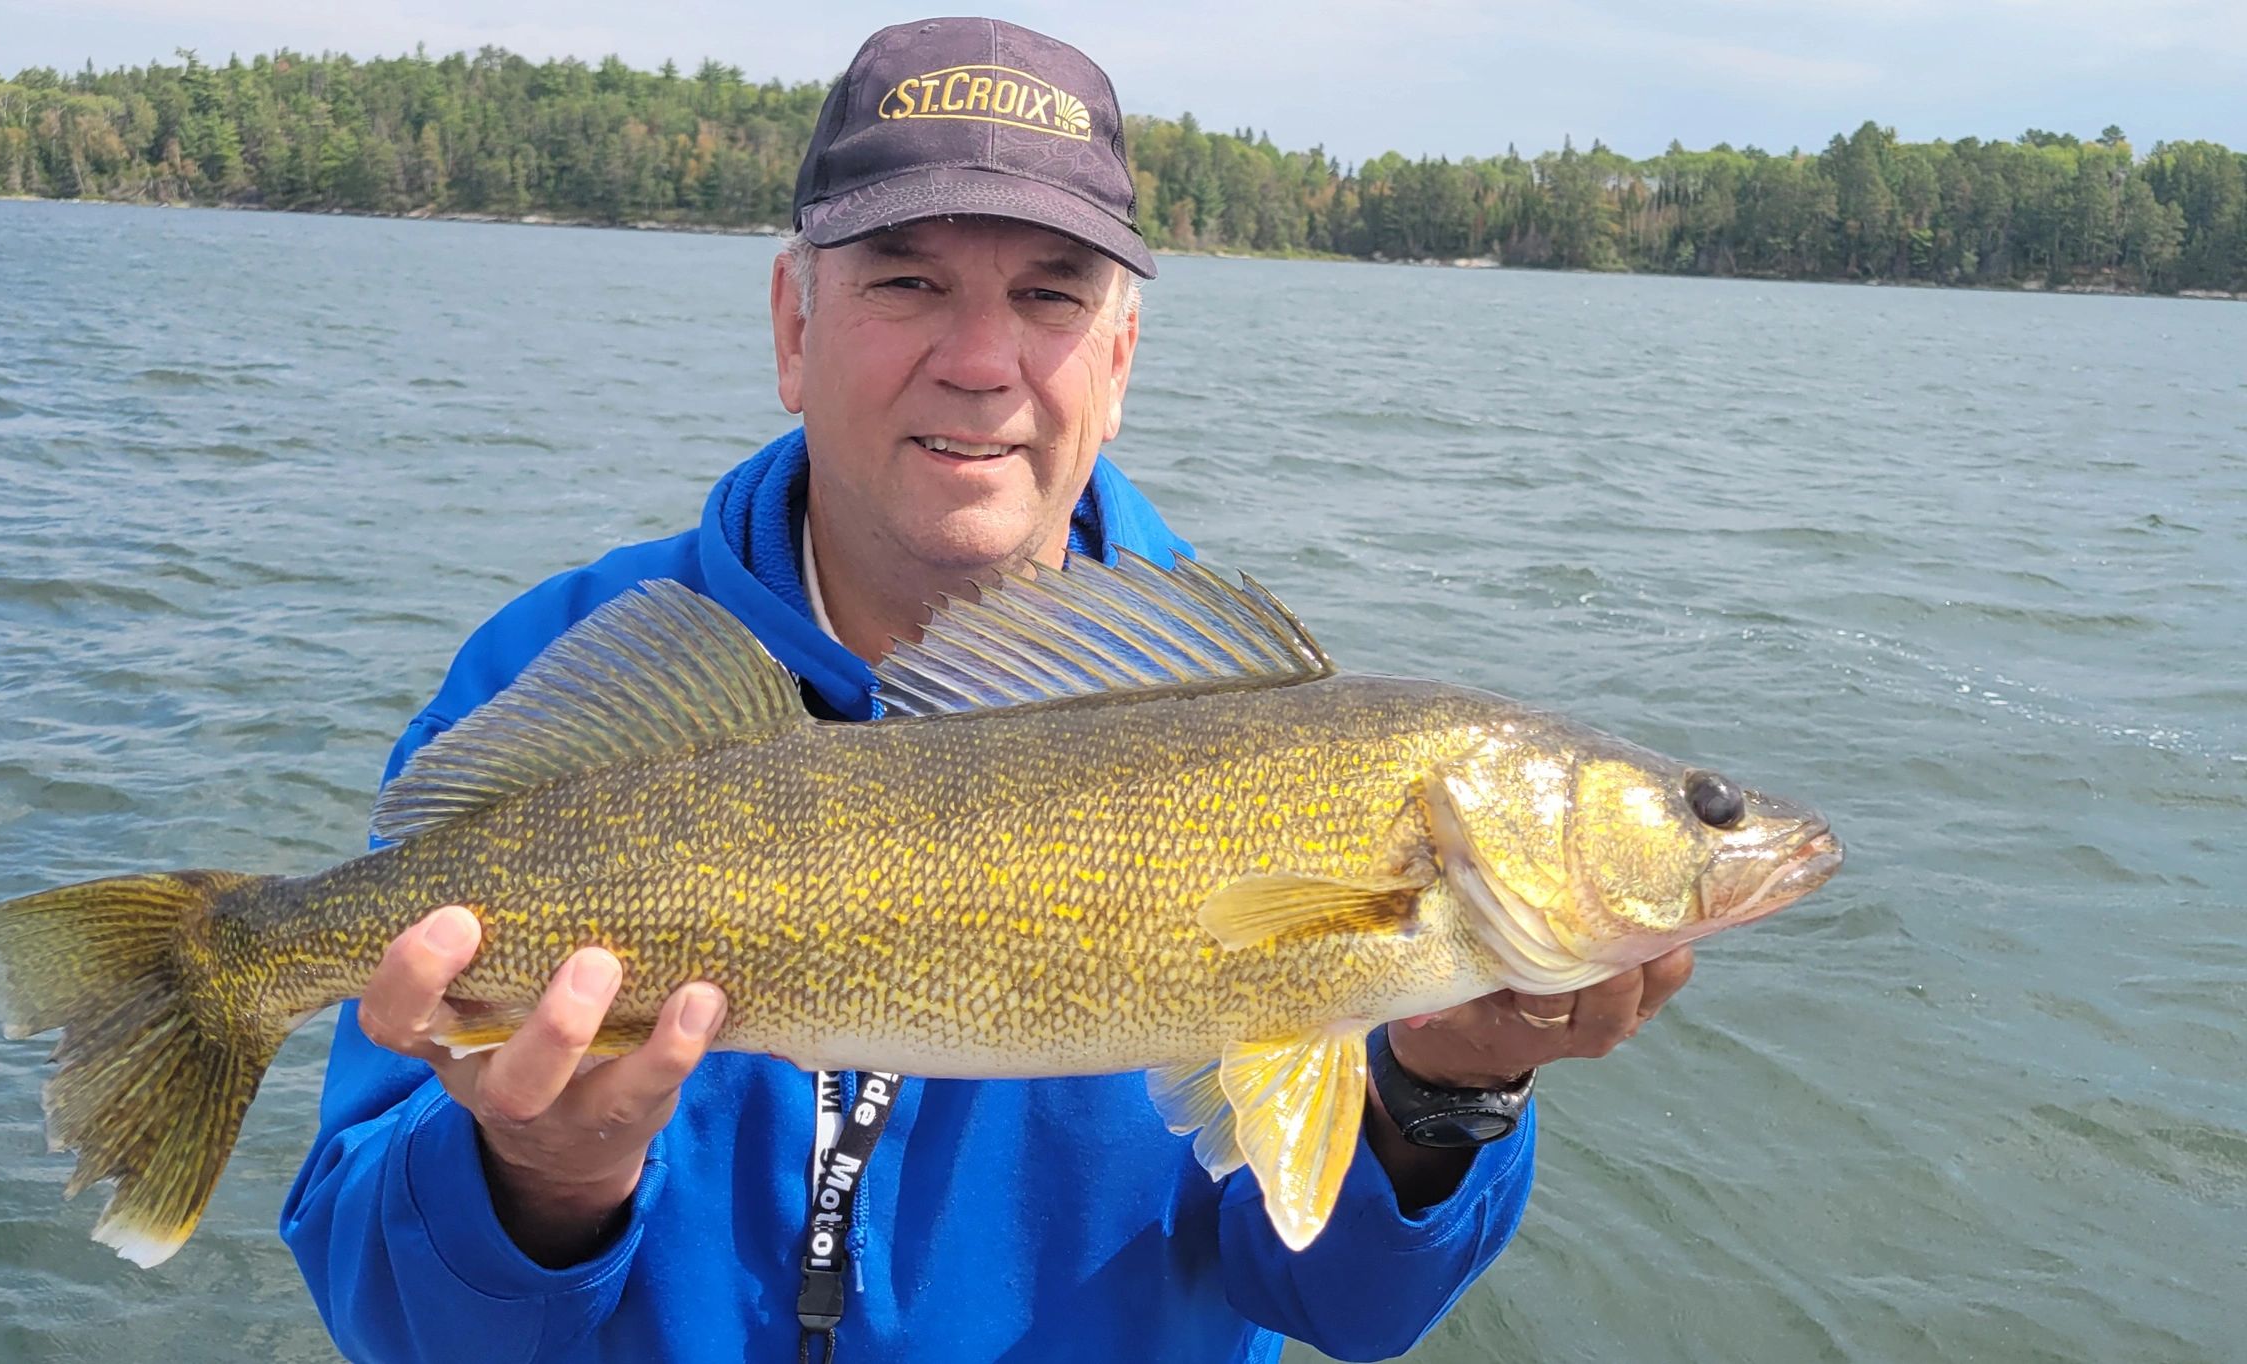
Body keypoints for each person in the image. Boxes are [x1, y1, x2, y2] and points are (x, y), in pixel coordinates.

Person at [281, 17, 1694, 1363]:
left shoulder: (1267, 735)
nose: (979, 361)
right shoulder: (561, 668)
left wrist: (1447, 1096)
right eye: (907, 280)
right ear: (792, 323)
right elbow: (399, 1324)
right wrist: (535, 1171)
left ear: (1121, 360)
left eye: (1050, 296)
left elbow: (1348, 1304)